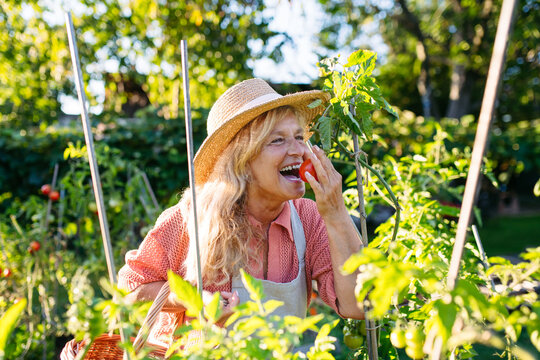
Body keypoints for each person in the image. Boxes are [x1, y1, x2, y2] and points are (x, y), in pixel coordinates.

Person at [118, 78, 364, 347]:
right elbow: (129, 292)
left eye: (299, 137)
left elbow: (358, 305)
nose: (297, 151)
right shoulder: (193, 219)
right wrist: (189, 298)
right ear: (242, 161)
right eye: (278, 140)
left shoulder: (308, 217)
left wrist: (337, 213)